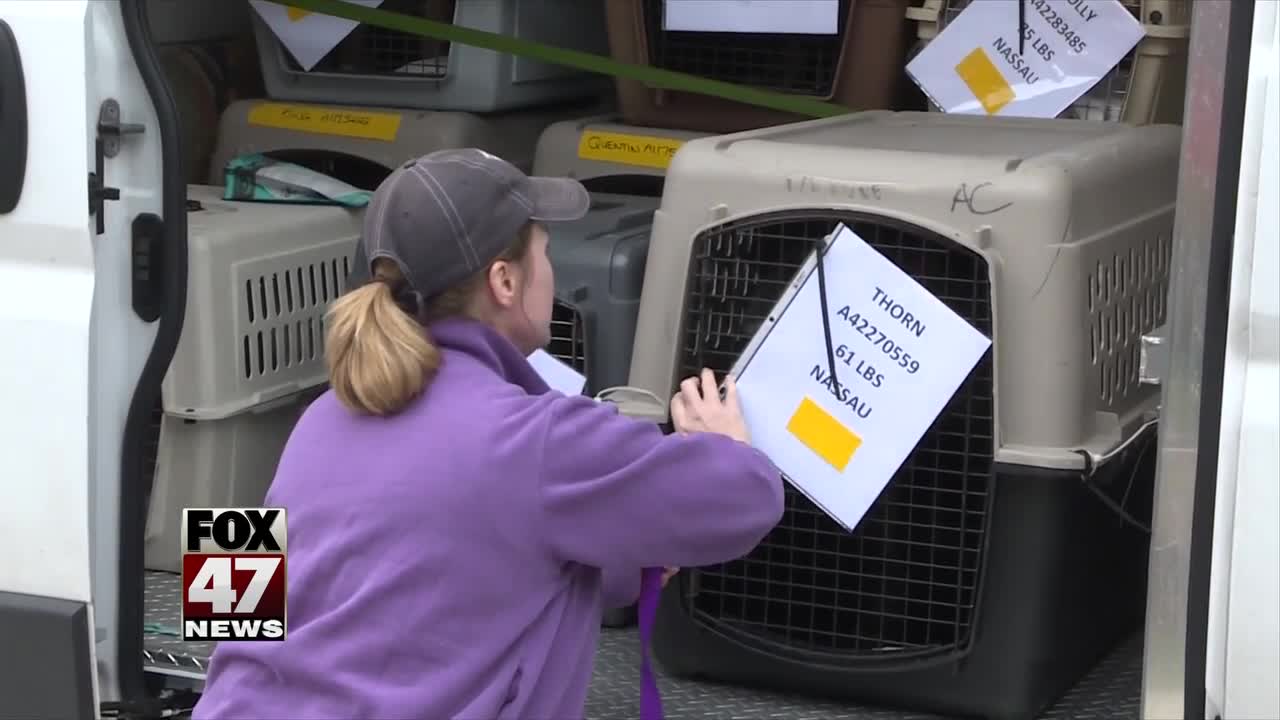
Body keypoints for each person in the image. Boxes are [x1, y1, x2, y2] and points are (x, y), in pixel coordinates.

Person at [191, 148, 784, 720]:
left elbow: (234, 607)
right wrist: (724, 443)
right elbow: (745, 500)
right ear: (505, 280)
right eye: (545, 251)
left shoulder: (321, 415)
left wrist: (624, 562)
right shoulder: (538, 438)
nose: (549, 269)